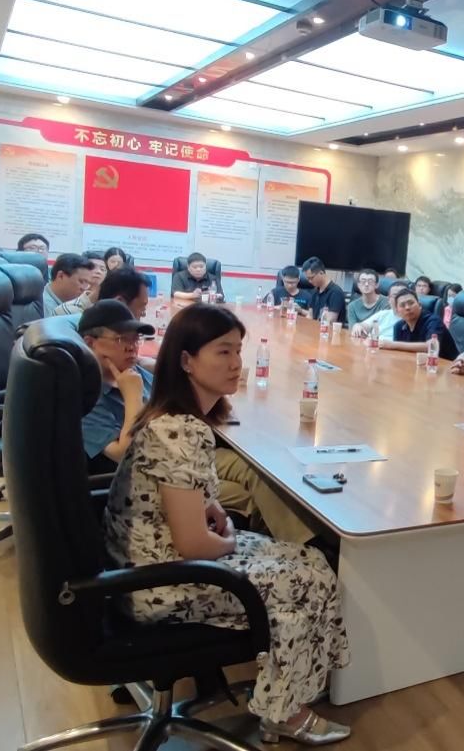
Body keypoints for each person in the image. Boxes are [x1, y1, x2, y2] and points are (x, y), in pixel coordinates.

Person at [102, 304, 350, 743]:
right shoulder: (181, 431)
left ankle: (287, 686)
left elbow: (172, 496)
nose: (236, 363)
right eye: (222, 352)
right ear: (186, 360)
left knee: (311, 561)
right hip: (158, 582)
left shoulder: (169, 417)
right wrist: (230, 539)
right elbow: (196, 546)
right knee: (311, 580)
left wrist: (210, 504)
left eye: (238, 350)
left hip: (140, 564)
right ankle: (285, 710)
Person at [79, 299, 314, 545]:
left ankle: (303, 544)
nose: (131, 347)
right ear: (90, 343)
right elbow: (125, 452)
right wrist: (132, 397)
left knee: (256, 469)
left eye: (135, 339)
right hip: (155, 480)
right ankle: (299, 547)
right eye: (121, 340)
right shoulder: (88, 397)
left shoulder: (137, 374)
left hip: (182, 459)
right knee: (250, 495)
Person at [380, 289, 456, 359]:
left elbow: (431, 347)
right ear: (397, 311)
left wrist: (393, 344)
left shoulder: (433, 321)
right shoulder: (398, 326)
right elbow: (398, 353)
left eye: (411, 303)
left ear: (419, 305)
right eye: (402, 305)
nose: (407, 308)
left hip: (445, 365)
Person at [301, 257, 345, 323]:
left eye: (311, 278)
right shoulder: (315, 291)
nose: (309, 281)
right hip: (314, 327)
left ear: (321, 273)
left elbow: (331, 321)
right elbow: (310, 315)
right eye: (308, 279)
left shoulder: (336, 293)